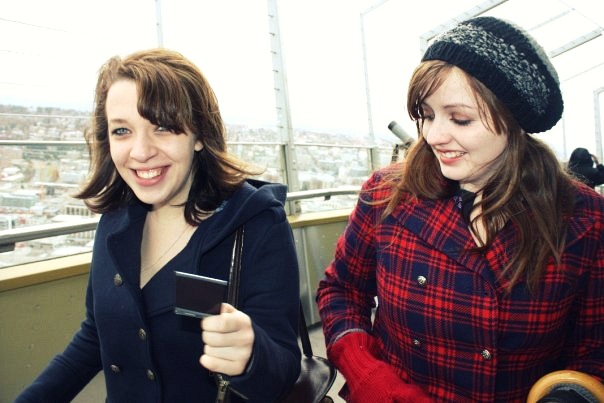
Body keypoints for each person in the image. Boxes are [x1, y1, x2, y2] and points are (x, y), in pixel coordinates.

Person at [317, 16, 604, 403]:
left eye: (460, 119)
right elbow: (341, 289)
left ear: (514, 122)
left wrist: (570, 395)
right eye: (426, 115)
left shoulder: (584, 219)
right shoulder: (387, 195)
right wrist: (367, 374)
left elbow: (595, 347)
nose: (433, 136)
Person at [16, 48, 301, 403]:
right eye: (122, 130)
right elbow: (95, 336)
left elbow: (282, 371)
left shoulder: (256, 224)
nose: (140, 151)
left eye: (163, 127)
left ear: (200, 135)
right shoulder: (115, 221)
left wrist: (252, 356)